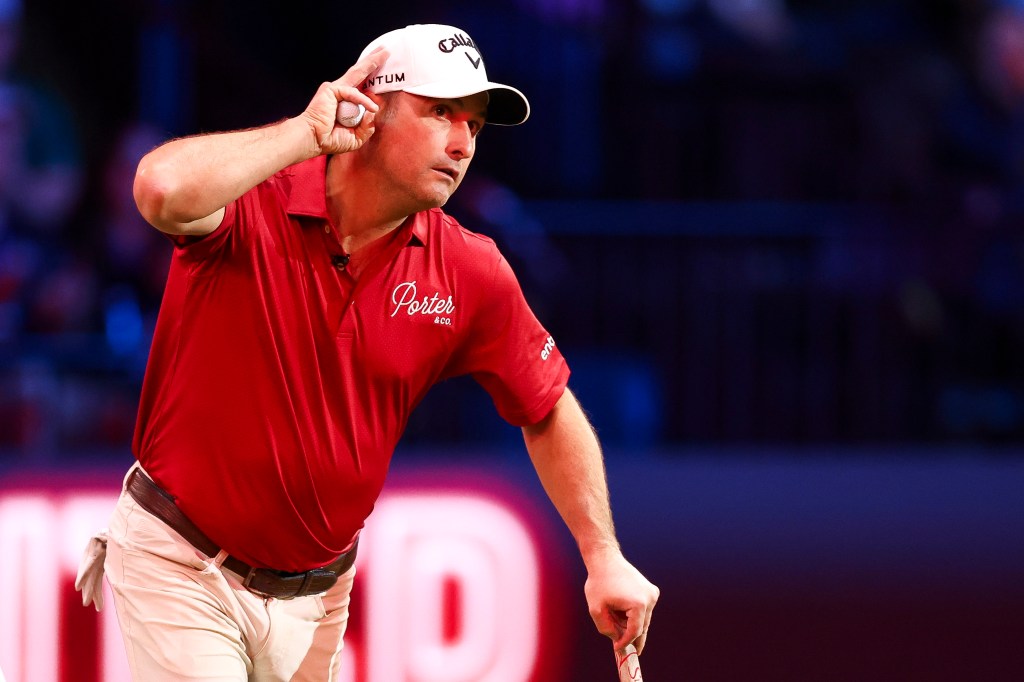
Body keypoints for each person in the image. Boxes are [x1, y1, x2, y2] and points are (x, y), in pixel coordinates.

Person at [75, 23, 659, 680]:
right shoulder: (253, 196)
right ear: (369, 108)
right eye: (441, 112)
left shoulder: (469, 270)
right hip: (181, 560)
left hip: (318, 598)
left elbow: (547, 407)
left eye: (474, 123)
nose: (463, 142)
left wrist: (602, 553)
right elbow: (159, 190)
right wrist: (304, 130)